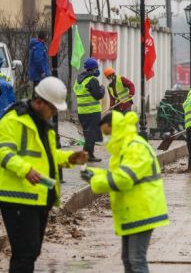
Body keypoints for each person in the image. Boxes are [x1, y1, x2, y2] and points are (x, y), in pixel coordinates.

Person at [0, 77, 88, 272]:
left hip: (38, 197)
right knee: (25, 253)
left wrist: (70, 158)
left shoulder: (43, 125)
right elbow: (3, 152)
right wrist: (25, 170)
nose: (54, 113)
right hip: (18, 198)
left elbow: (48, 156)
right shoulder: (13, 120)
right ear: (39, 102)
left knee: (32, 252)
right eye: (53, 108)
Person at [84, 111, 169, 273]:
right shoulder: (125, 147)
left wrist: (94, 180)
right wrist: (92, 175)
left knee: (136, 261)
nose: (106, 138)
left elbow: (124, 179)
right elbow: (117, 174)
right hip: (133, 210)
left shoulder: (135, 147)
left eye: (107, 133)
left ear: (116, 128)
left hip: (142, 211)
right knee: (128, 260)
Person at [74, 58, 106, 162]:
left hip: (82, 112)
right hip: (92, 111)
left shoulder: (78, 81)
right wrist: (102, 89)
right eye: (96, 68)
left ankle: (89, 155)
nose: (97, 70)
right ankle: (85, 155)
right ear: (92, 69)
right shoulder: (92, 80)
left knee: (88, 133)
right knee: (92, 134)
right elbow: (98, 95)